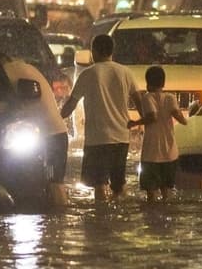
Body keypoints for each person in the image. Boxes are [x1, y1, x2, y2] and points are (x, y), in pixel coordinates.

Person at [60, 34, 142, 203]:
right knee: (119, 186)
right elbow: (140, 102)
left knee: (99, 185)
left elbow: (71, 105)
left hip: (97, 140)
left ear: (94, 51)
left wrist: (55, 118)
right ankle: (120, 217)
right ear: (112, 51)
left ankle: (101, 221)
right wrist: (144, 122)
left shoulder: (88, 74)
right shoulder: (126, 72)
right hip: (121, 138)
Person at [2, 56, 70, 207]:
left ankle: (59, 219)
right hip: (55, 134)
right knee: (55, 183)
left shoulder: (6, 72)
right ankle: (58, 222)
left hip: (49, 136)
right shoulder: (26, 67)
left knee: (53, 183)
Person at [128, 66, 188, 203]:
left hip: (152, 154)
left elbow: (152, 117)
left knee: (151, 195)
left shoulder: (147, 98)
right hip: (170, 153)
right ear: (163, 83)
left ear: (148, 83)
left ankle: (153, 221)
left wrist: (134, 123)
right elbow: (182, 119)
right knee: (166, 193)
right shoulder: (171, 98)